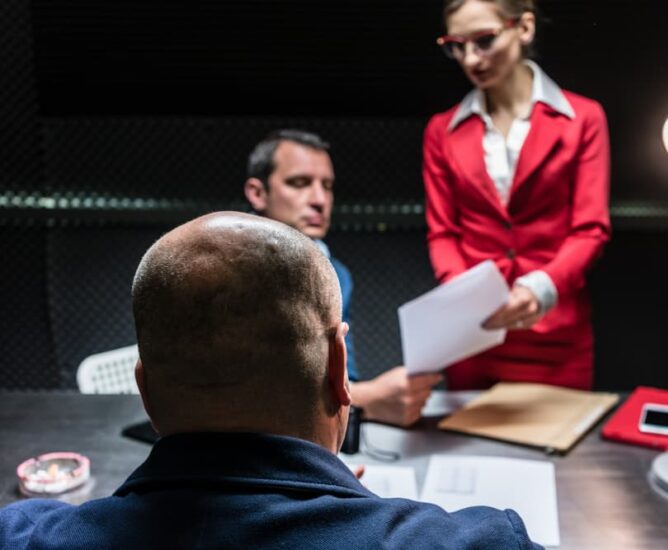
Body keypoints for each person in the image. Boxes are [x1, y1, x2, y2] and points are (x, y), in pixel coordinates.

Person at [0, 213, 542, 549]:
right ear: (339, 370)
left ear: (145, 389)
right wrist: (363, 512)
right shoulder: (481, 543)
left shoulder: (24, 537)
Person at [423, 0, 611, 390]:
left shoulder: (585, 118)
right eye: (456, 45)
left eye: (484, 40)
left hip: (557, 337)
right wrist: (466, 295)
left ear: (524, 28)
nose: (471, 58)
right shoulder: (441, 131)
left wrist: (539, 287)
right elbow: (443, 233)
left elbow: (590, 229)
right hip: (475, 336)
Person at [244, 130, 440, 426]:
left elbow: (345, 375)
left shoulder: (338, 274)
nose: (320, 200)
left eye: (327, 186)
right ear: (258, 193)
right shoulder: (227, 270)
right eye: (299, 183)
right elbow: (240, 392)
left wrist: (361, 396)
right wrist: (369, 399)